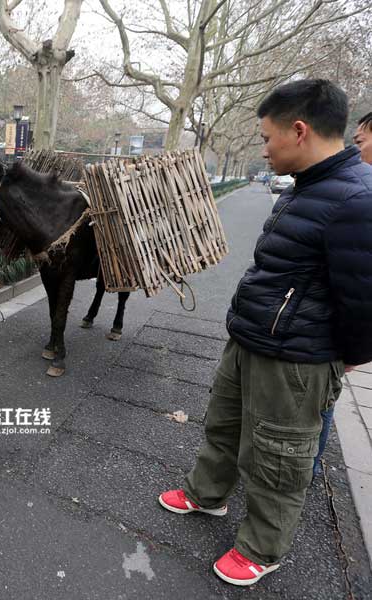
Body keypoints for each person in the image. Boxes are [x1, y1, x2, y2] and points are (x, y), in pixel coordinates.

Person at [157, 80, 372, 587]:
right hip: (252, 340)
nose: (263, 147)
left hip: (297, 359)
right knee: (224, 426)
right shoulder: (308, 187)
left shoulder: (355, 201)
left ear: (299, 131)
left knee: (279, 457)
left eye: (267, 137)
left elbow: (364, 302)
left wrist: (341, 359)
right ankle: (207, 493)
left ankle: (262, 545)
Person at [314, 109, 372, 475]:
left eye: (361, 141)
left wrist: (355, 349)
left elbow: (362, 289)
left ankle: (303, 472)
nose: (354, 149)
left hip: (326, 339)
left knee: (318, 402)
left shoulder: (362, 198)